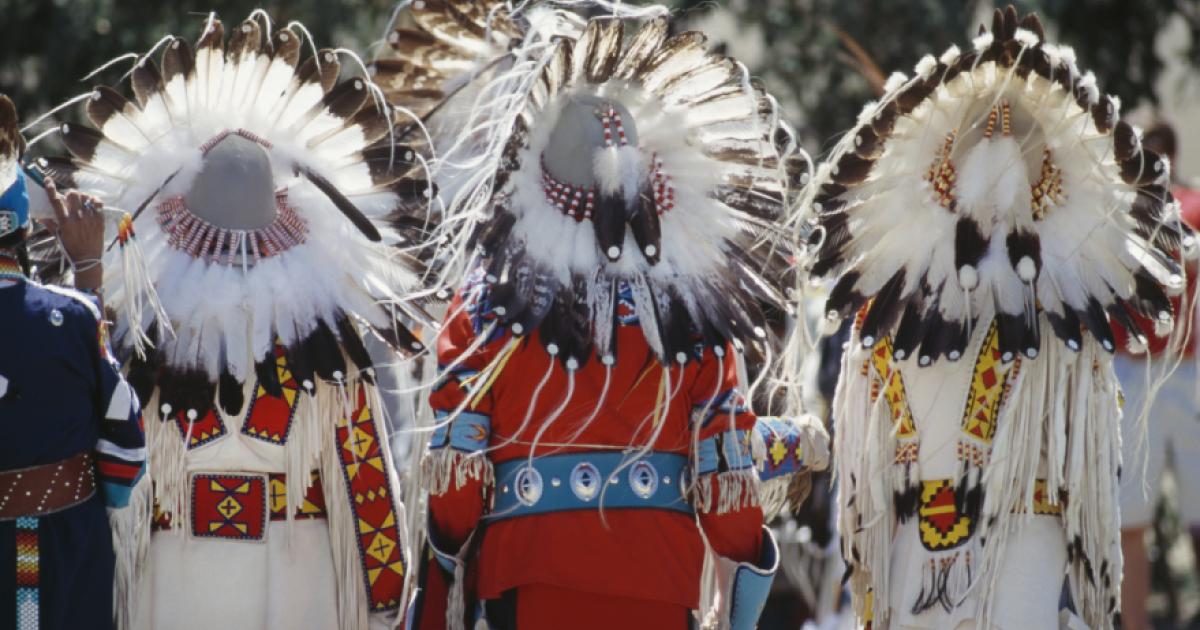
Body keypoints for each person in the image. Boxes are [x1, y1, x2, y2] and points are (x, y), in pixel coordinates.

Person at [378, 3, 829, 628]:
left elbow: (455, 489)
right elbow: (728, 490)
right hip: (660, 587)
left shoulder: (491, 303)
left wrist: (448, 563)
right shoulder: (694, 314)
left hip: (527, 582)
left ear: (534, 176)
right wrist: (742, 590)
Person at [34, 13, 436, 630]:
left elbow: (370, 501)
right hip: (218, 580)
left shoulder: (138, 341)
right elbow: (372, 512)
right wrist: (384, 606)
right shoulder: (318, 357)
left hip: (233, 582)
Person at [803, 6, 1191, 629]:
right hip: (916, 548)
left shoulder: (1060, 313)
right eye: (975, 156)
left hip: (1017, 551)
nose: (992, 174)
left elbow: (1086, 458)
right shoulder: (893, 302)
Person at [0, 93, 149, 630]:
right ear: (28, 228)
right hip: (63, 553)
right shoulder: (73, 317)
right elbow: (125, 455)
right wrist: (88, 267)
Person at [1114, 122, 1200, 630]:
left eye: (1162, 152)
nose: (1156, 162)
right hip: (1133, 370)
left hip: (1185, 370)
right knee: (1131, 520)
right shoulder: (1117, 213)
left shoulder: (1190, 205)